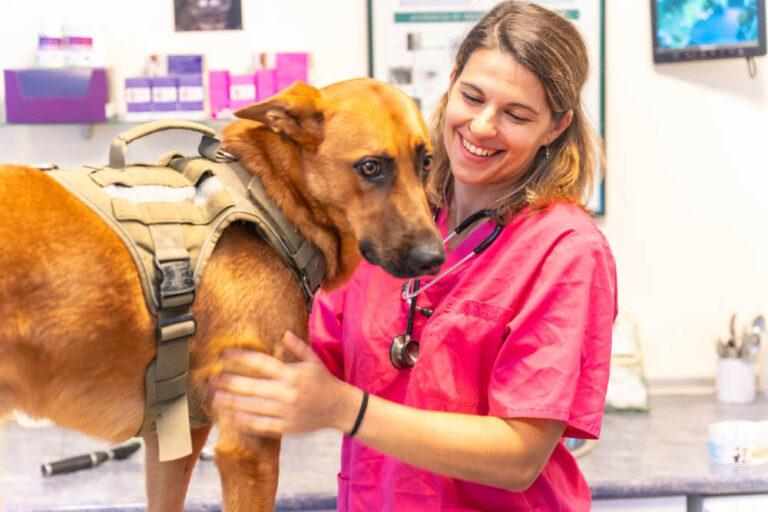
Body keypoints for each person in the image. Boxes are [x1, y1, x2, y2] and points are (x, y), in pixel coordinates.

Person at [212, 2, 617, 510]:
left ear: (556, 128)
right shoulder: (388, 228)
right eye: (472, 97)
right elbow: (311, 358)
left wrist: (345, 409)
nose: (483, 126)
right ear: (451, 84)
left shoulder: (567, 250)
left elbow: (520, 458)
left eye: (517, 115)